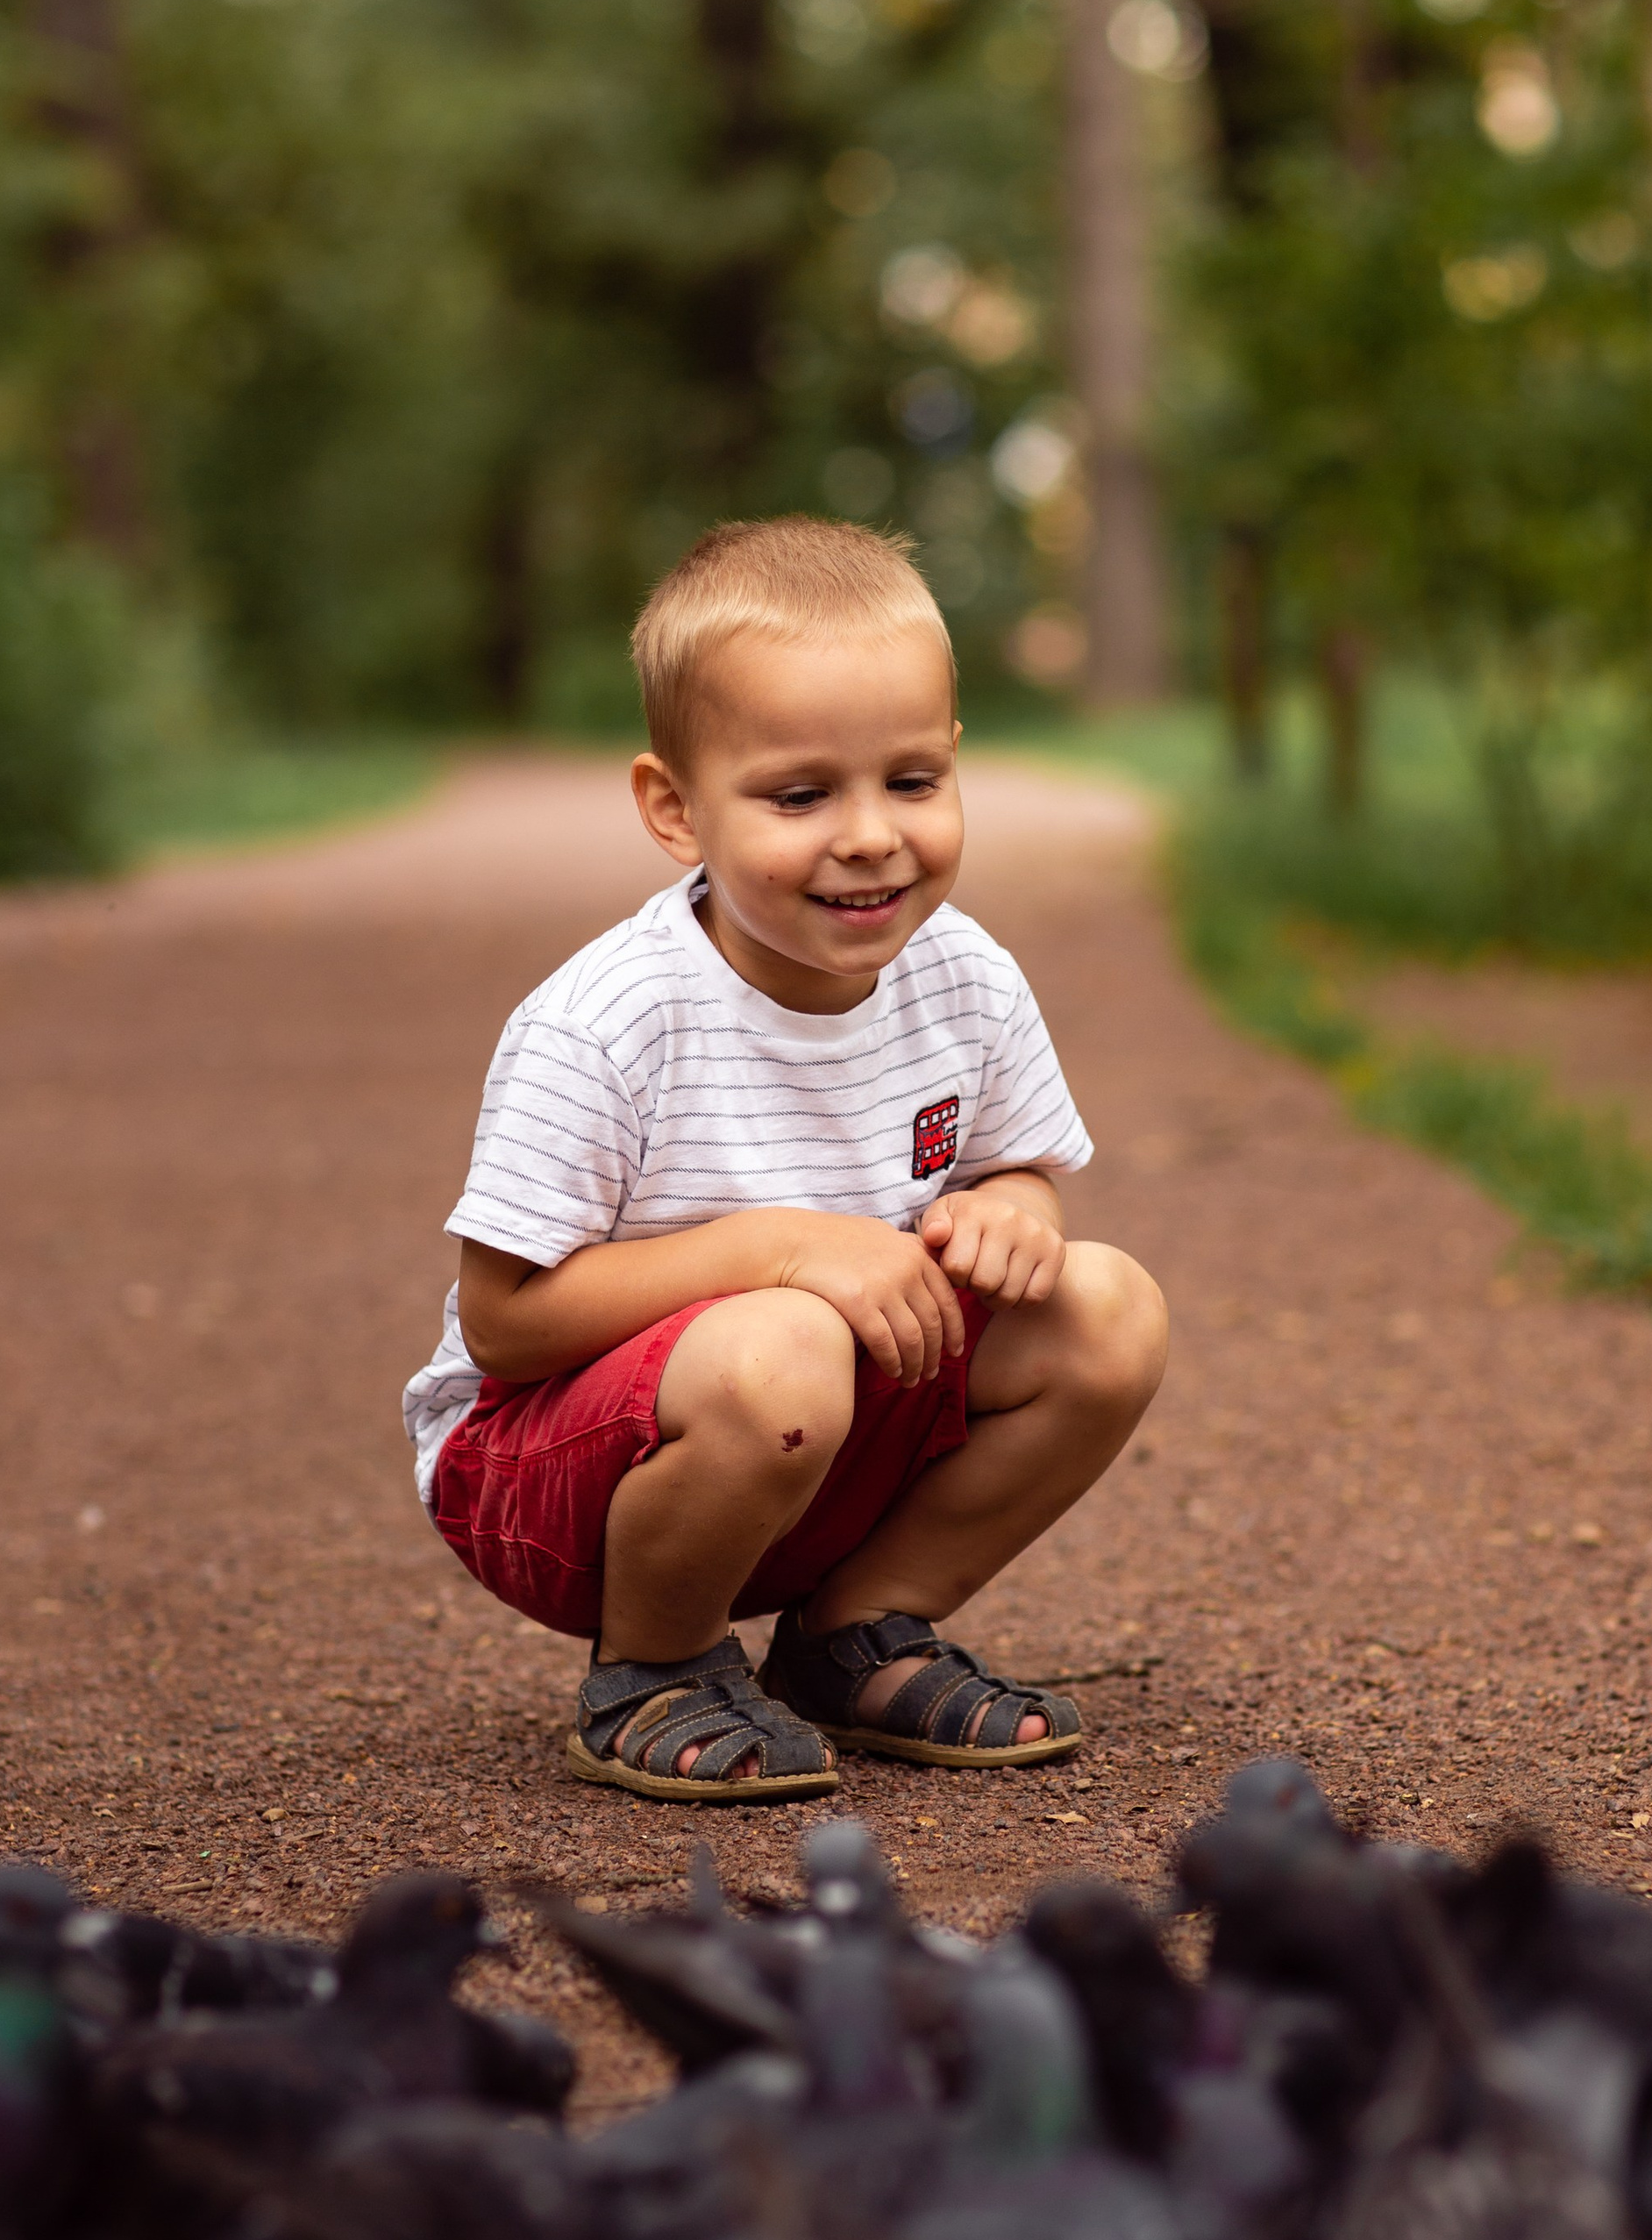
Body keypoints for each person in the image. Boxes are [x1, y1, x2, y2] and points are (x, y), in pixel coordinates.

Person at [402, 516, 1170, 1803]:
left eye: (912, 781)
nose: (871, 835)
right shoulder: (610, 1022)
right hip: (556, 1481)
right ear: (674, 807)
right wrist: (782, 1247)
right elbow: (503, 1323)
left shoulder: (963, 978)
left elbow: (1015, 1171)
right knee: (787, 1339)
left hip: (816, 1446)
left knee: (1107, 1310)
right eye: (801, 794)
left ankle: (855, 1637)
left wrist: (1014, 1213)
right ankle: (648, 1669)